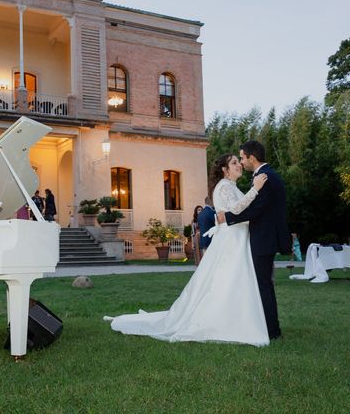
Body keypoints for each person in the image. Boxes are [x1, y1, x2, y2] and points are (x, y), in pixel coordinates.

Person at [105, 153, 270, 346]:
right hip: (231, 239)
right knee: (228, 277)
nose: (239, 165)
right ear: (225, 170)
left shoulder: (231, 186)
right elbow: (235, 210)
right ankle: (226, 321)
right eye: (234, 163)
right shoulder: (223, 187)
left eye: (238, 162)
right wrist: (255, 190)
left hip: (237, 237)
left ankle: (239, 318)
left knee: (234, 278)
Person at [217, 140, 291, 341]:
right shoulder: (265, 175)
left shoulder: (264, 177)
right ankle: (267, 326)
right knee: (263, 283)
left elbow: (257, 209)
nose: (241, 162)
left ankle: (272, 331)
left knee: (263, 284)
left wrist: (229, 217)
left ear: (252, 157)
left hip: (264, 238)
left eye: (242, 157)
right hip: (264, 237)